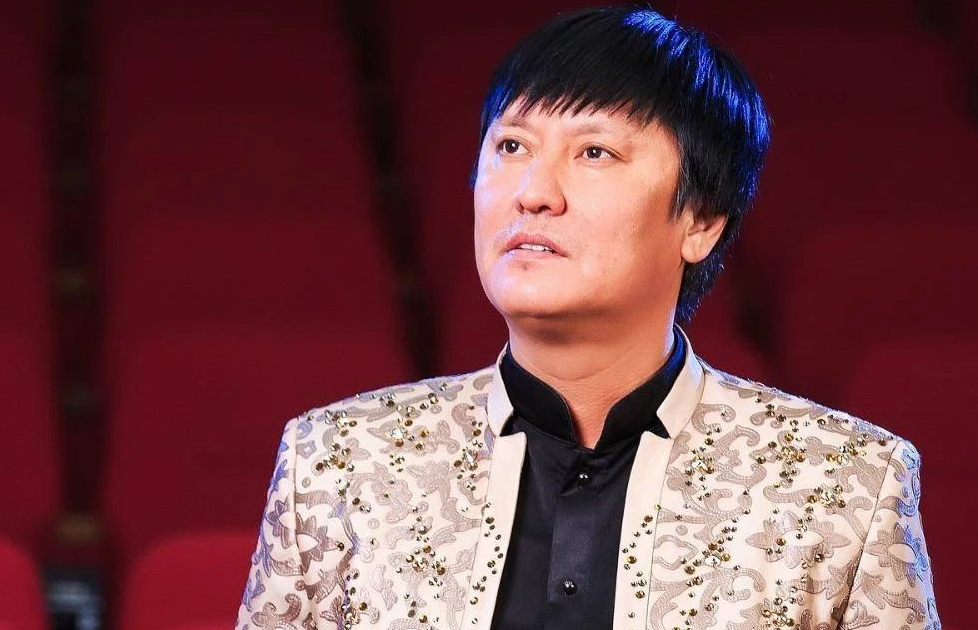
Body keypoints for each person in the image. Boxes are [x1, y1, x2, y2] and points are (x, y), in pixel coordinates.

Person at [236, 6, 939, 630]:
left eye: (594, 152)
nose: (534, 192)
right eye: (511, 146)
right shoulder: (339, 461)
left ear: (700, 221)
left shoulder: (842, 482)